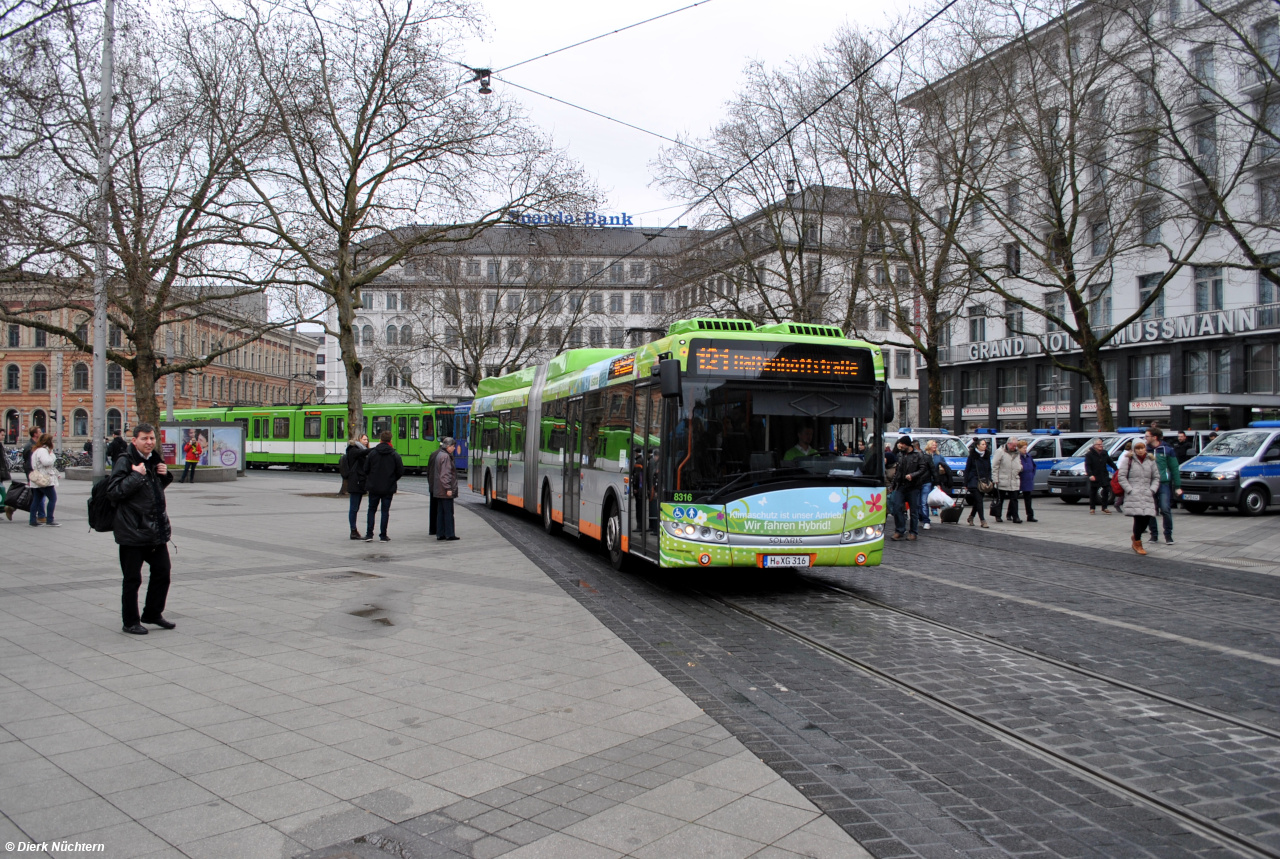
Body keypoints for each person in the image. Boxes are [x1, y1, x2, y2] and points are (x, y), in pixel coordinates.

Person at [107, 423, 175, 634]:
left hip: (155, 531)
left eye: (152, 438)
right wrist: (135, 475)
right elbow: (114, 492)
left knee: (162, 572)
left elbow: (150, 492)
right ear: (134, 440)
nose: (149, 442)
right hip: (132, 531)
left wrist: (164, 476)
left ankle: (152, 613)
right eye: (145, 439)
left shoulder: (153, 459)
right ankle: (130, 621)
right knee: (133, 579)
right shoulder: (125, 461)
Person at [1118, 439, 1160, 556]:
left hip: (1147, 493)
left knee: (1147, 517)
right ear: (1134, 449)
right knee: (1138, 518)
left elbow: (1156, 477)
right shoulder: (1129, 459)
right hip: (1134, 493)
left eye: (1142, 448)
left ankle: (1136, 536)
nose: (1141, 450)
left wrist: (1152, 489)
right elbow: (1122, 476)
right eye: (1138, 448)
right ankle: (1138, 543)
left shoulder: (1150, 460)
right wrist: (1129, 489)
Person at [361, 429, 403, 542]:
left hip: (374, 486)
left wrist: (371, 478)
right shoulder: (394, 454)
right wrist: (392, 479)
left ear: (380, 440)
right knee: (385, 511)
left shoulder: (373, 453)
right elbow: (400, 471)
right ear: (390, 440)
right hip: (388, 487)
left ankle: (369, 534)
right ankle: (383, 535)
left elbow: (366, 469)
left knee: (371, 510)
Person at [1145, 427, 1181, 545]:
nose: (1145, 439)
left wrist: (1177, 486)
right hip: (1149, 484)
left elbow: (1174, 468)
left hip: (1163, 483)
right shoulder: (1145, 450)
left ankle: (1168, 535)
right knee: (1151, 510)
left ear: (1154, 437)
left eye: (1147, 436)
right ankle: (1154, 535)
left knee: (1165, 509)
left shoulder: (1167, 450)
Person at [888, 435, 927, 541]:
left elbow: (923, 468)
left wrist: (912, 475)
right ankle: (899, 530)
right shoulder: (900, 455)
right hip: (901, 485)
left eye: (902, 444)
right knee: (896, 507)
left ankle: (913, 532)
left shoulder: (918, 455)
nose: (900, 446)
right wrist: (893, 485)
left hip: (913, 486)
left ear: (907, 445)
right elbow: (898, 472)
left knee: (914, 510)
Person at [28, 433, 60, 527]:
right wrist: (52, 455)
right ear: (48, 442)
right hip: (44, 479)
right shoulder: (43, 451)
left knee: (36, 500)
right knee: (53, 498)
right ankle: (50, 519)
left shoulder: (36, 450)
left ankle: (32, 520)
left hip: (37, 479)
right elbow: (47, 462)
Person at [344, 434, 372, 540]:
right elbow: (362, 453)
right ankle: (353, 530)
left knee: (355, 507)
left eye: (367, 439)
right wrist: (375, 448)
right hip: (355, 482)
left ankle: (354, 530)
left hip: (359, 482)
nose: (366, 441)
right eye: (364, 439)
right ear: (358, 440)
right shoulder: (353, 449)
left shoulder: (362, 449)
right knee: (354, 508)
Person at [434, 436, 460, 541]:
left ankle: (440, 533)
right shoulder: (446, 457)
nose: (454, 448)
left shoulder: (439, 455)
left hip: (439, 490)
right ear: (448, 446)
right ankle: (449, 533)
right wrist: (448, 488)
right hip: (445, 490)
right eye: (453, 446)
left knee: (441, 512)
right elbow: (445, 475)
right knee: (448, 512)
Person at [992, 438, 1023, 523]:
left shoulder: (1017, 452)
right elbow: (995, 466)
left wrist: (1020, 468)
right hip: (1002, 479)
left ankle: (1015, 517)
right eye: (1013, 446)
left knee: (1014, 499)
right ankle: (998, 516)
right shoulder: (1000, 452)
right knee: (1000, 499)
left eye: (1016, 446)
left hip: (1014, 479)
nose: (1015, 447)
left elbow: (1019, 462)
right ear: (1008, 444)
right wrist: (995, 479)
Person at [426, 439, 452, 536]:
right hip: (441, 486)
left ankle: (433, 529)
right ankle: (443, 530)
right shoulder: (446, 456)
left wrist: (430, 483)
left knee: (433, 508)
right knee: (442, 510)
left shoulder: (433, 454)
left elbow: (428, 471)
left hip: (433, 484)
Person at [964, 438, 992, 528]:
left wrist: (989, 479)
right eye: (983, 444)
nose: (985, 446)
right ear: (978, 445)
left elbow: (989, 469)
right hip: (973, 481)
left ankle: (971, 517)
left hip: (983, 482)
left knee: (977, 501)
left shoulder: (986, 456)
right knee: (979, 500)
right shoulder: (972, 456)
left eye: (985, 444)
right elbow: (967, 470)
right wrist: (965, 483)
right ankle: (983, 520)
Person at [1084, 437, 1114, 515]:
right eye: (1099, 444)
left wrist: (1117, 469)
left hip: (1103, 475)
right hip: (1095, 475)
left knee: (1106, 490)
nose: (1101, 446)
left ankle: (1104, 507)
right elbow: (1088, 465)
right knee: (1093, 492)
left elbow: (1110, 462)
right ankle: (1092, 508)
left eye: (1102, 444)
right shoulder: (1089, 454)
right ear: (1094, 445)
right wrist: (1090, 475)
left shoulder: (1104, 453)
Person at [918, 439, 939, 530]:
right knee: (919, 503)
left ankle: (926, 520)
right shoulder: (922, 456)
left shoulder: (929, 457)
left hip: (926, 482)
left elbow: (933, 469)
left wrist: (936, 482)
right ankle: (922, 518)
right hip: (918, 482)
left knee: (923, 502)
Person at [1016, 439, 1038, 522]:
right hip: (1020, 479)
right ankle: (1010, 513)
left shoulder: (1028, 456)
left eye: (1026, 448)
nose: (1025, 449)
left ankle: (1030, 515)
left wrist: (1032, 475)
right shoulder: (1017, 457)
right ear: (1019, 448)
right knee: (1014, 497)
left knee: (1028, 498)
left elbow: (1033, 466)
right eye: (1023, 448)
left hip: (1028, 479)